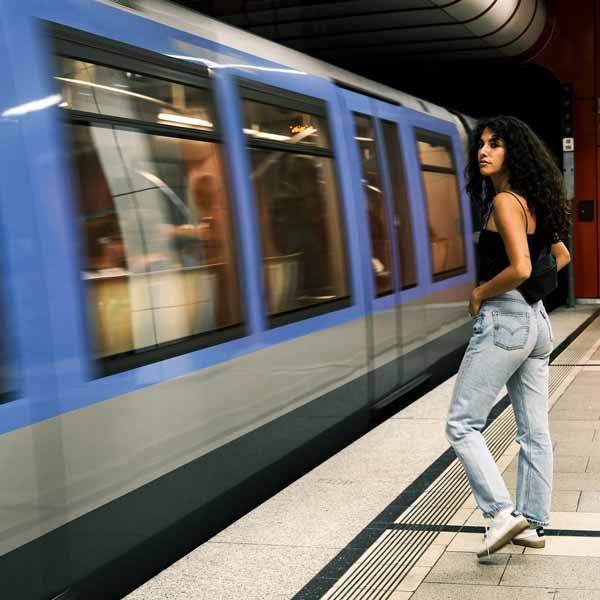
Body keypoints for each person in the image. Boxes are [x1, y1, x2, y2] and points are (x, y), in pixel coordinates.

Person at [446, 116, 572, 560]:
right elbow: (560, 255)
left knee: (462, 423)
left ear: (512, 152)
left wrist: (480, 292)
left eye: (494, 144)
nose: (483, 151)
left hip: (506, 322)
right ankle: (534, 524)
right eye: (480, 144)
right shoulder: (531, 200)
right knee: (533, 430)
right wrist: (531, 295)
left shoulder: (503, 200)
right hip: (536, 324)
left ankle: (500, 515)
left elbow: (519, 267)